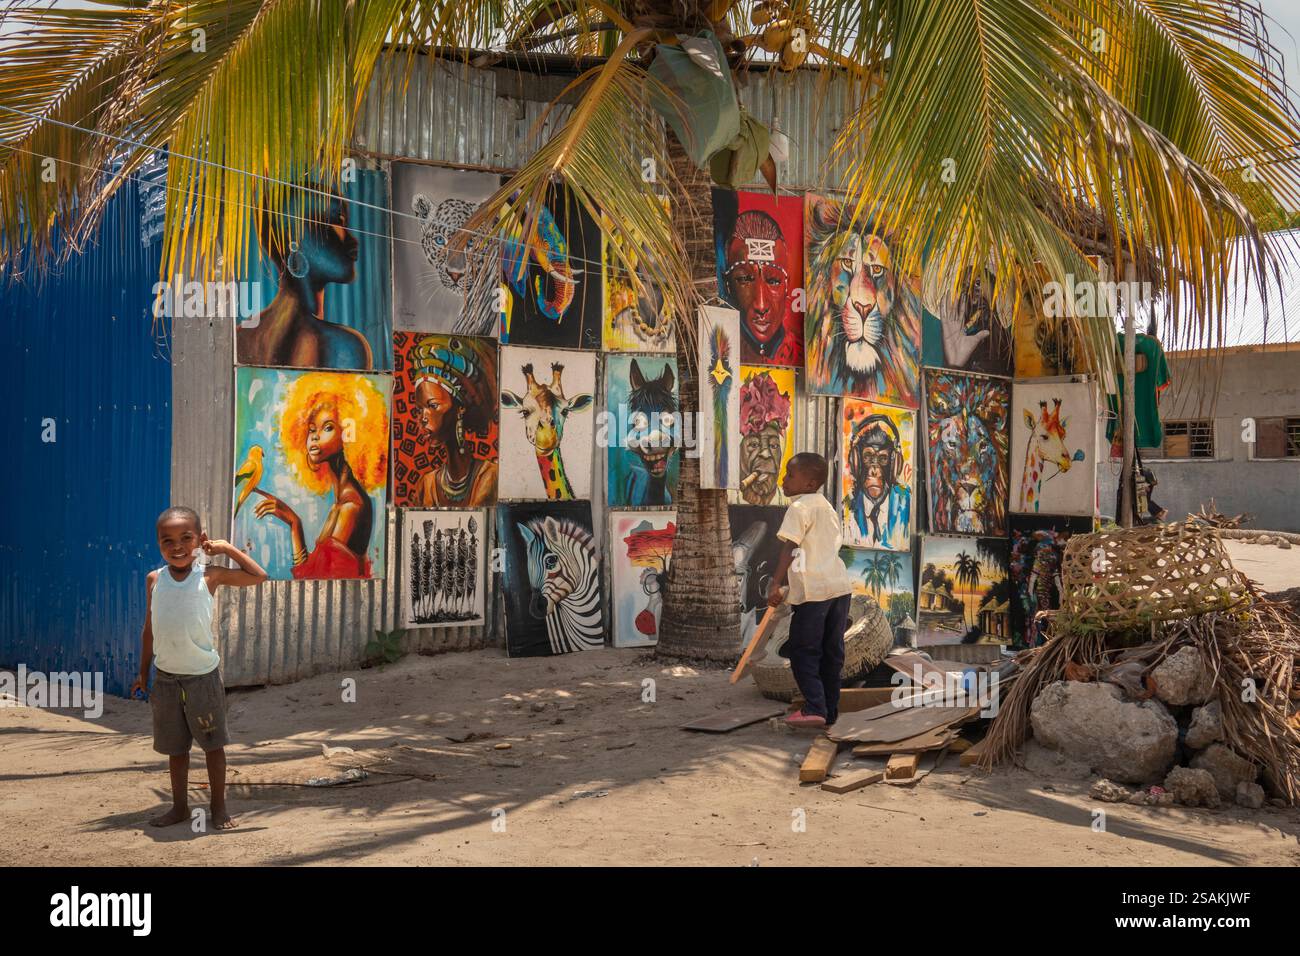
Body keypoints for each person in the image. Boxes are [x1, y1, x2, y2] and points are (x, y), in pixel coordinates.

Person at [130, 507, 268, 829]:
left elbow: (259, 576)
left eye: (186, 538)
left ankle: (218, 810)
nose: (177, 547)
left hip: (202, 679)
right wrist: (142, 672)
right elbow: (149, 629)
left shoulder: (210, 575)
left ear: (199, 539)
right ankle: (179, 808)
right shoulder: (154, 580)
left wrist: (226, 549)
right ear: (158, 544)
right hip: (165, 679)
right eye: (168, 541)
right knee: (175, 749)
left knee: (212, 745)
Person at [252, 372, 388, 578]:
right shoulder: (340, 502)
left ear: (350, 434)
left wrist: (294, 522)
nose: (314, 435)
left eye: (328, 427)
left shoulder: (351, 506)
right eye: (312, 428)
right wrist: (294, 524)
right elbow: (312, 574)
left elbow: (319, 582)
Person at [236, 185, 373, 371]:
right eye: (337, 220)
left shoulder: (239, 338)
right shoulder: (344, 346)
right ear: (296, 240)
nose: (352, 240)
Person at [766, 452, 855, 728]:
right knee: (832, 653)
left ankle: (814, 707)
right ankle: (829, 711)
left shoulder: (799, 507)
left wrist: (776, 582)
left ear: (809, 482)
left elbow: (788, 548)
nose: (784, 479)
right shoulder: (827, 507)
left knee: (804, 651)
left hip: (814, 593)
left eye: (791, 475)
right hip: (839, 589)